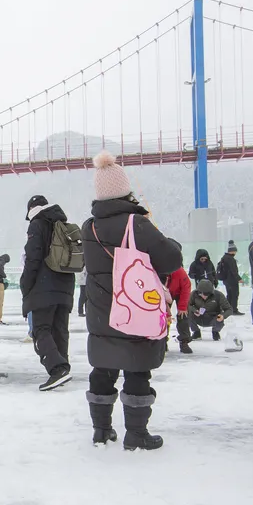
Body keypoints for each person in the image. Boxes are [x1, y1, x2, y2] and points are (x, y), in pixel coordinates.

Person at [82, 152, 182, 448]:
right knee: (137, 370)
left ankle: (101, 431)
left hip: (102, 313)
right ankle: (136, 435)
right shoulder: (136, 224)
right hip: (135, 310)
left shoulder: (90, 228)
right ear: (126, 190)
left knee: (103, 369)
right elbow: (171, 260)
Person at [21, 195, 77, 391]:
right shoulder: (61, 223)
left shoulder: (37, 224)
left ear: (31, 210)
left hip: (43, 286)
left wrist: (25, 285)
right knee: (59, 329)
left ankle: (57, 368)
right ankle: (62, 367)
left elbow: (33, 258)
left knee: (41, 329)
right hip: (66, 286)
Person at [165, 240, 194, 354]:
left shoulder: (179, 271)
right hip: (164, 294)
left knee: (183, 316)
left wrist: (182, 307)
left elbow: (186, 286)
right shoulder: (156, 268)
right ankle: (162, 341)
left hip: (179, 292)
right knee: (162, 318)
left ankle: (184, 341)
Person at [216, 242, 243, 315]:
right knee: (234, 295)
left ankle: (228, 309)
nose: (236, 252)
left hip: (226, 280)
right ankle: (234, 309)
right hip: (232, 280)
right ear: (232, 251)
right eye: (235, 251)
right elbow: (233, 270)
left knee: (229, 294)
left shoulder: (224, 257)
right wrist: (239, 278)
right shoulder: (230, 259)